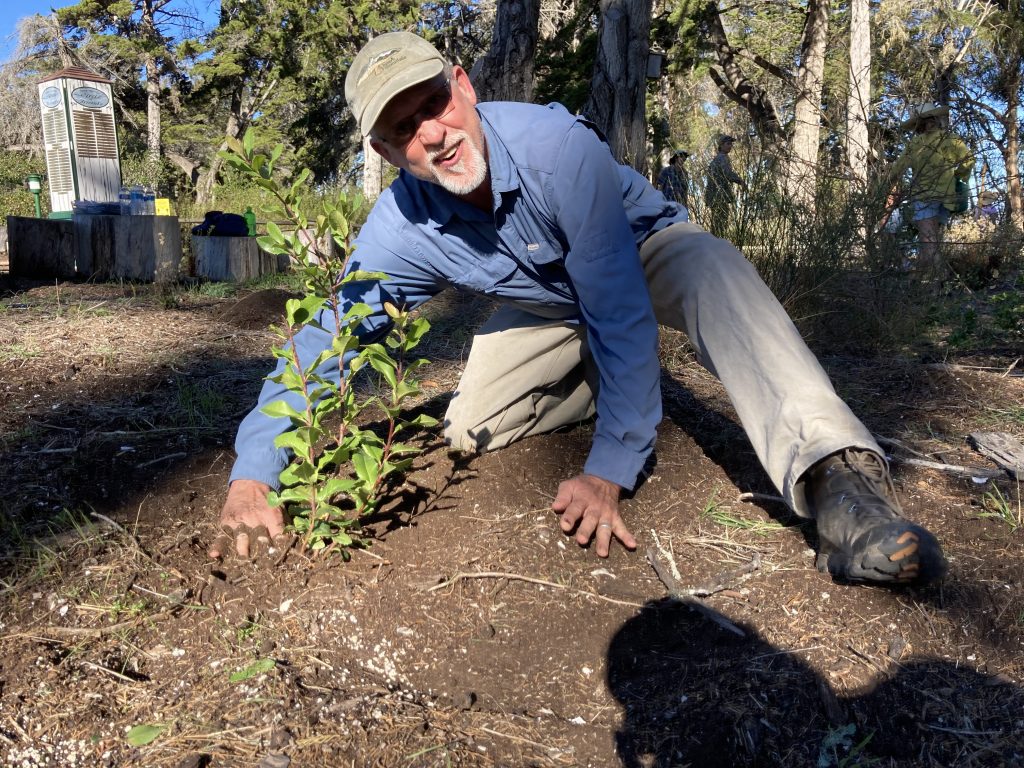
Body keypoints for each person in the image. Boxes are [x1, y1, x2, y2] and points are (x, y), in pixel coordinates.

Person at [211, 32, 945, 586]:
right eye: (403, 129)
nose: (430, 132)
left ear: (461, 85)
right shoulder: (399, 226)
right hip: (550, 306)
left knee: (714, 270)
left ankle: (838, 480)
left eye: (432, 104)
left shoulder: (555, 148)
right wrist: (255, 472)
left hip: (641, 255)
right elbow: (329, 338)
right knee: (469, 427)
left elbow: (620, 303)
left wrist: (609, 468)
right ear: (385, 149)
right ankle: (616, 384)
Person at [888, 102, 973, 273]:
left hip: (924, 196)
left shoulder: (915, 144)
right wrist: (958, 177)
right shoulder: (951, 139)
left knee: (929, 241)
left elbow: (898, 169)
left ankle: (937, 283)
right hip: (948, 197)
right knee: (932, 240)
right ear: (936, 119)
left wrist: (887, 183)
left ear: (919, 124)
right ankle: (923, 281)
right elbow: (968, 160)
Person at [704, 135, 746, 237]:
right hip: (719, 196)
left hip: (714, 196)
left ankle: (714, 244)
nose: (730, 146)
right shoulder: (723, 157)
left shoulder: (716, 159)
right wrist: (741, 181)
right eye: (728, 144)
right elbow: (727, 174)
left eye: (731, 144)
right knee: (720, 223)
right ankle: (717, 246)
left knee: (717, 223)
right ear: (721, 145)